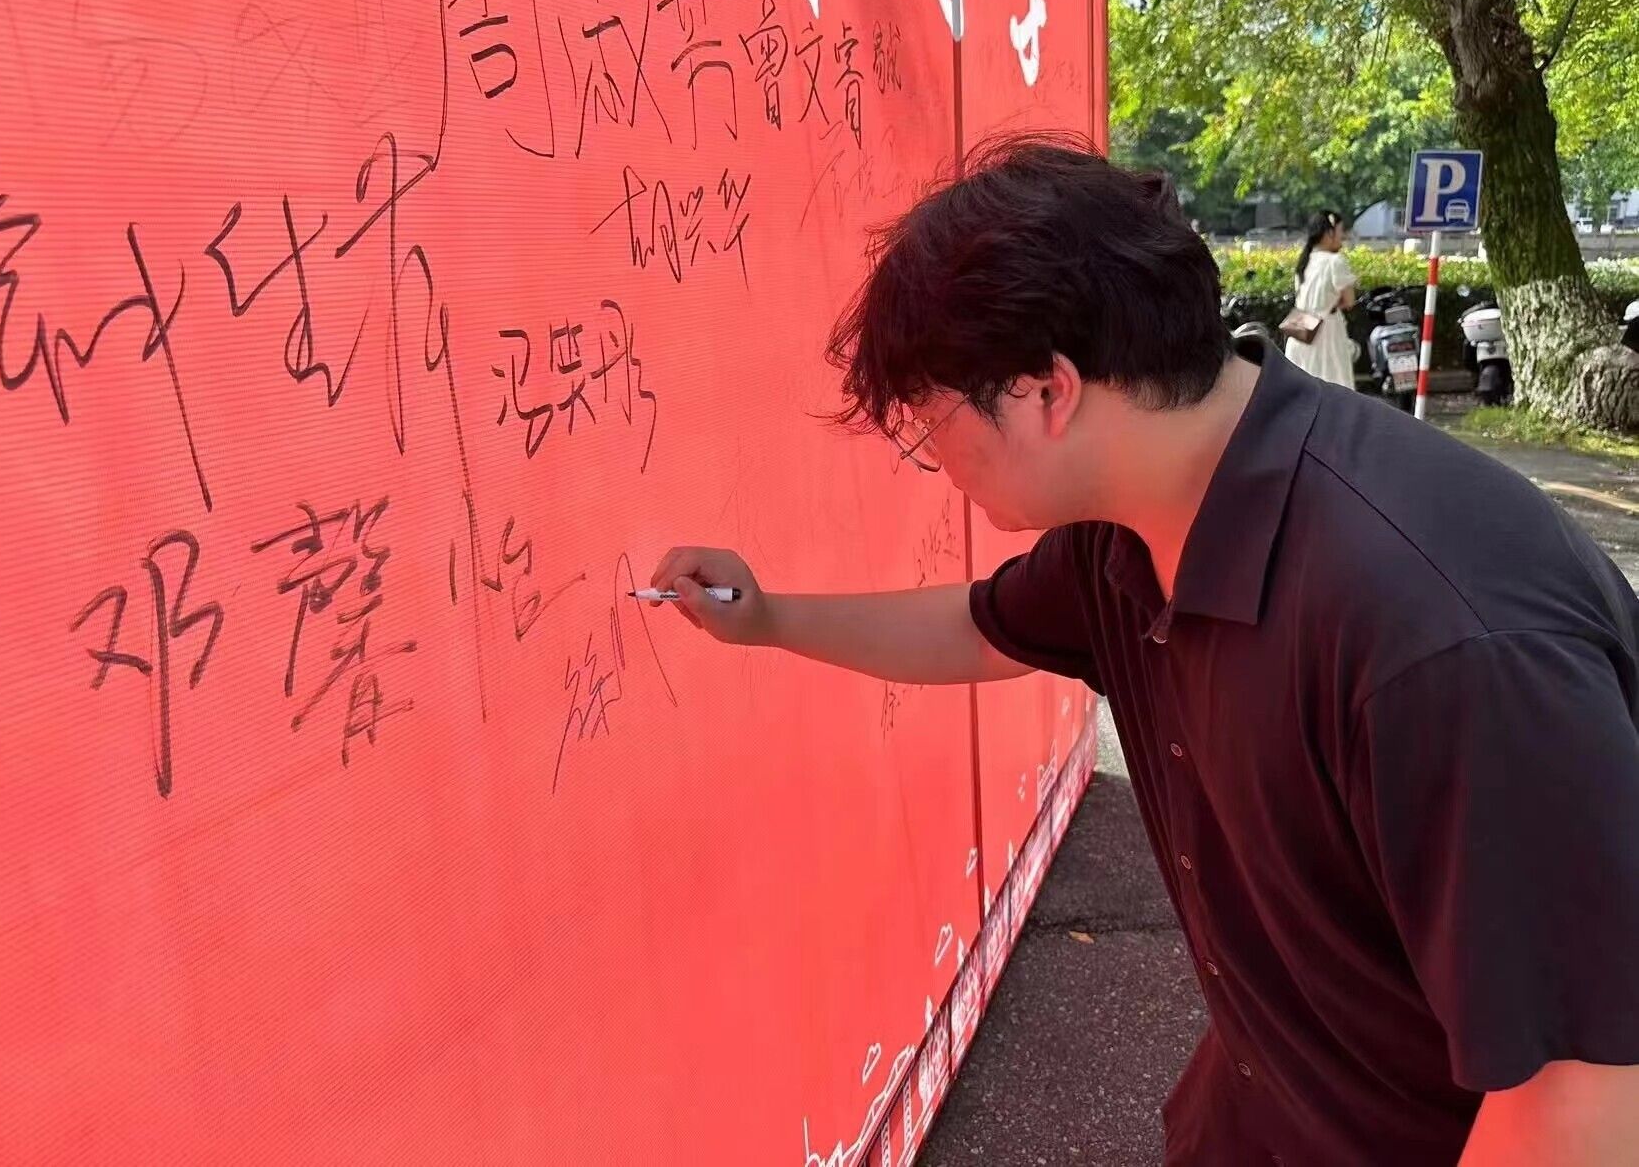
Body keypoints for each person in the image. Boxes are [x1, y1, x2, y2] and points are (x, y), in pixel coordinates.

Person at [651, 135, 1639, 1166]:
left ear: (1046, 391)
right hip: (1262, 1113)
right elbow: (982, 625)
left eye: (932, 421)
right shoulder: (1131, 528)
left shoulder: (1440, 637)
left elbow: (1582, 1096)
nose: (932, 457)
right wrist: (767, 618)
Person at [1286, 209, 1358, 388]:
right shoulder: (1335, 262)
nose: (1343, 237)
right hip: (1327, 333)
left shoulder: (1304, 261)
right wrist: (1330, 304)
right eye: (1340, 231)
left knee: (1301, 387)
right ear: (1328, 233)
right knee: (1333, 385)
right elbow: (1349, 301)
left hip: (1300, 328)